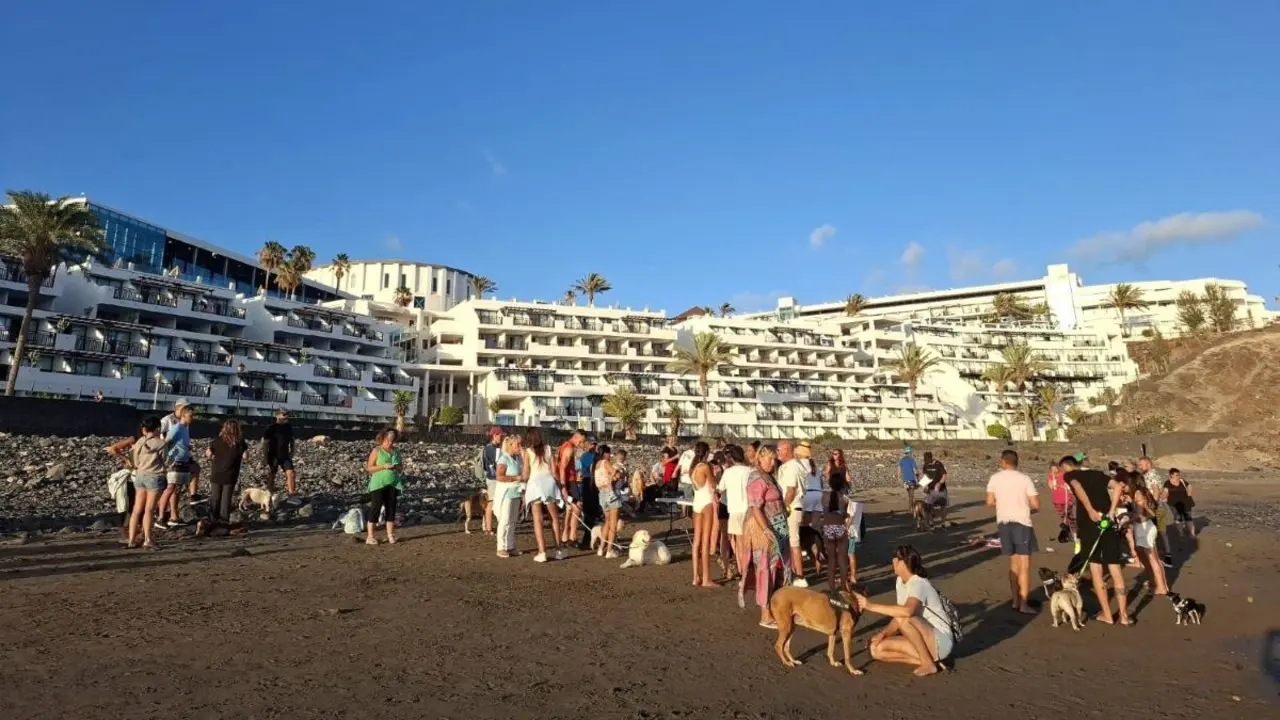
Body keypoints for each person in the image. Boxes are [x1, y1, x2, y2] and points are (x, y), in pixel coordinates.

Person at [855, 545, 955, 677]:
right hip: (922, 638)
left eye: (895, 558)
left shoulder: (919, 583)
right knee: (876, 649)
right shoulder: (900, 582)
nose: (893, 561)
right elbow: (899, 616)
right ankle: (929, 661)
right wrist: (882, 634)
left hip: (940, 640)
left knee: (905, 616)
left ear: (903, 563)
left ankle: (927, 663)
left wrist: (870, 606)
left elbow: (906, 613)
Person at [1062, 454, 1130, 625]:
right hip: (1108, 522)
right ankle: (1123, 615)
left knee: (1096, 569)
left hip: (1089, 524)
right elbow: (1118, 487)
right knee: (1115, 568)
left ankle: (1107, 614)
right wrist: (1112, 510)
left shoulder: (1070, 475)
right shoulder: (1097, 474)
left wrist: (1090, 510)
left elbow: (1078, 488)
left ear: (1067, 466)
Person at [741, 445, 791, 627]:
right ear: (759, 459)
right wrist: (765, 529)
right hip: (766, 528)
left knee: (777, 568)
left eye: (774, 458)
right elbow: (755, 507)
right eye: (769, 458)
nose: (773, 462)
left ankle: (776, 608)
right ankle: (765, 613)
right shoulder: (756, 478)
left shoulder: (769, 477)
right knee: (765, 568)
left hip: (779, 526)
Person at [985, 450, 1040, 615]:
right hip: (1021, 523)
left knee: (1013, 564)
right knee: (1024, 565)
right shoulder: (1024, 479)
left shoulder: (995, 478)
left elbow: (989, 502)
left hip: (1004, 523)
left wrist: (1004, 503)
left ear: (1003, 461)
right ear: (1016, 462)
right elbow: (1036, 504)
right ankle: (1023, 603)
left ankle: (1015, 601)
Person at [775, 439, 816, 587]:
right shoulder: (790, 466)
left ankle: (800, 576)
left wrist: (783, 508)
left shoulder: (792, 467)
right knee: (791, 542)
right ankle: (793, 573)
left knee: (793, 543)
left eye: (779, 450)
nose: (777, 453)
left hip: (791, 508)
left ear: (787, 450)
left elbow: (791, 490)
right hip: (794, 507)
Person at [524, 428, 568, 563]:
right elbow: (554, 472)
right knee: (554, 518)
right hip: (548, 483)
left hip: (535, 485)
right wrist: (561, 487)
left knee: (538, 520)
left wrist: (520, 485)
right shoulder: (548, 449)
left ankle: (542, 552)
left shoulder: (528, 452)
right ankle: (559, 550)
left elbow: (525, 474)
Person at [125, 416, 167, 550]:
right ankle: (148, 539)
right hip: (154, 476)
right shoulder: (160, 443)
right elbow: (166, 462)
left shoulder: (140, 442)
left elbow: (135, 462)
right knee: (149, 509)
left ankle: (131, 540)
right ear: (157, 429)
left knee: (137, 509)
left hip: (140, 476)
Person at [1128, 474, 1169, 595]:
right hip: (1146, 527)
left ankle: (1161, 587)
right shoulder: (1143, 492)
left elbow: (1140, 515)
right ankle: (1155, 582)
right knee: (1149, 558)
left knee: (1153, 559)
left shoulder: (1138, 494)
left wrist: (1127, 520)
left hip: (1145, 528)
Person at [204, 419, 247, 530]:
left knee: (215, 498)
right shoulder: (240, 442)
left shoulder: (217, 440)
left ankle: (212, 521)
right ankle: (223, 523)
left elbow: (208, 453)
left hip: (216, 472)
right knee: (226, 499)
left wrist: (213, 457)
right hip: (230, 474)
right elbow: (246, 456)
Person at [160, 398, 203, 509]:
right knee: (172, 487)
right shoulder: (168, 420)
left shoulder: (184, 424)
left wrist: (186, 446)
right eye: (186, 408)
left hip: (182, 455)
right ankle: (164, 513)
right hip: (173, 457)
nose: (189, 412)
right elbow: (162, 438)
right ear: (179, 408)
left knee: (194, 470)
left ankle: (192, 496)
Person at [158, 402, 195, 529]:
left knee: (176, 489)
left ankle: (173, 517)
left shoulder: (185, 429)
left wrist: (186, 447)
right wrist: (168, 458)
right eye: (191, 416)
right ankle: (161, 517)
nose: (192, 418)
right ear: (184, 416)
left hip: (182, 462)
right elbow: (166, 443)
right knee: (170, 488)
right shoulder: (177, 428)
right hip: (174, 462)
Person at [364, 428, 403, 545]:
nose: (390, 443)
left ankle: (390, 535)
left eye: (392, 441)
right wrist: (383, 466)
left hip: (393, 483)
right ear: (382, 439)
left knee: (391, 510)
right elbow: (369, 468)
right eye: (387, 440)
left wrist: (397, 467)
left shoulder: (396, 451)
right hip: (378, 484)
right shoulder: (377, 451)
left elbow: (401, 467)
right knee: (375, 509)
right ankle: (370, 536)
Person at [719, 444, 752, 583]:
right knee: (749, 543)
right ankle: (748, 570)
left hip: (735, 510)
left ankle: (742, 571)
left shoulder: (728, 472)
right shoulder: (750, 470)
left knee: (738, 544)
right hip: (749, 510)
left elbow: (720, 488)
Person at [815, 468, 851, 591]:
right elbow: (844, 514)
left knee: (831, 561)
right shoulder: (845, 499)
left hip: (828, 529)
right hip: (841, 528)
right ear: (842, 485)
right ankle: (842, 589)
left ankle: (831, 589)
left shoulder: (824, 497)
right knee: (842, 560)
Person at [689, 441, 717, 588]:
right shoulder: (705, 467)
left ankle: (696, 577)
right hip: (707, 501)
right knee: (705, 541)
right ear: (706, 453)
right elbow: (713, 485)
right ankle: (706, 578)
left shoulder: (692, 468)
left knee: (697, 541)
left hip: (697, 502)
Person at [1137, 456, 1173, 567]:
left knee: (1155, 533)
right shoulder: (1150, 474)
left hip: (1156, 507)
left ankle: (1161, 558)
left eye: (1141, 465)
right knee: (1161, 532)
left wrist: (1153, 506)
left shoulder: (1151, 474)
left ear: (1148, 464)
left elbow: (1156, 491)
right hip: (1158, 506)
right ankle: (1166, 557)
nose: (1139, 467)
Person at [493, 433, 523, 558]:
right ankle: (500, 547)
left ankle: (510, 546)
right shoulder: (504, 459)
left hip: (516, 492)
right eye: (518, 445)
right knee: (504, 520)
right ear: (511, 445)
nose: (520, 447)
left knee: (512, 521)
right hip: (506, 493)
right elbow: (499, 476)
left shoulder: (519, 459)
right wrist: (516, 478)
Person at [262, 409, 299, 503]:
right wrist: (265, 457)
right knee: (272, 475)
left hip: (285, 455)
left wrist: (293, 451)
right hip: (273, 455)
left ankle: (291, 494)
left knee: (291, 473)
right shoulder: (270, 428)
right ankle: (269, 495)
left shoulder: (288, 427)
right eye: (284, 415)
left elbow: (292, 440)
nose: (286, 416)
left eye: (287, 414)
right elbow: (265, 443)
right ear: (277, 416)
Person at [555, 431, 585, 545]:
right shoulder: (569, 448)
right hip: (568, 481)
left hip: (569, 480)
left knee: (570, 508)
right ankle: (572, 536)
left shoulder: (565, 446)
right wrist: (563, 486)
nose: (580, 444)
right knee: (577, 506)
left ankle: (566, 536)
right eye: (580, 441)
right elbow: (562, 467)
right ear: (575, 437)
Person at [593, 444, 623, 559]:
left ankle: (601, 547)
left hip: (602, 494)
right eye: (609, 453)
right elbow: (616, 475)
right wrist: (619, 473)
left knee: (607, 521)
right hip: (611, 493)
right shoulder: (605, 462)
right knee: (613, 523)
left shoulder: (596, 465)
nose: (610, 456)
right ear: (605, 453)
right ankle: (609, 550)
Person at [576, 438, 602, 549]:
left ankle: (596, 538)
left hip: (595, 485)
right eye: (591, 444)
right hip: (587, 484)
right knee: (588, 515)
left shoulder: (597, 456)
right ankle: (587, 539)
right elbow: (581, 472)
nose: (593, 446)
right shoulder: (585, 456)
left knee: (595, 514)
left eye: (594, 444)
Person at [481, 426, 504, 535]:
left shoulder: (490, 447)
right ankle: (488, 528)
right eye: (500, 435)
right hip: (493, 478)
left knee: (493, 502)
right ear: (495, 435)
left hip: (493, 478)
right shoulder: (491, 448)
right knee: (491, 503)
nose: (502, 437)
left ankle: (488, 526)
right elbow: (498, 462)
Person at [1161, 469, 1196, 540]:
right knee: (1178, 518)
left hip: (1186, 502)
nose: (1178, 476)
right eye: (1176, 475)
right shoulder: (1167, 483)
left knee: (1188, 518)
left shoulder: (1182, 481)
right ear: (1171, 475)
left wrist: (1189, 493)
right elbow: (1165, 491)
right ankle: (1181, 533)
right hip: (1173, 504)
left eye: (1179, 475)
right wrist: (1163, 496)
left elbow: (1189, 486)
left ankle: (1192, 534)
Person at [1046, 461, 1075, 542]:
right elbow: (1051, 486)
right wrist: (1054, 482)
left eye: (1055, 468)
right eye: (1052, 469)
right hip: (1057, 500)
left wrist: (1065, 486)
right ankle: (1067, 533)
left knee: (1069, 516)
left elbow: (1070, 484)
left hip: (1066, 499)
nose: (1054, 470)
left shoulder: (1064, 474)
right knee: (1063, 517)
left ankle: (1074, 533)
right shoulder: (1050, 476)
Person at [921, 451, 949, 525]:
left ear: (931, 458)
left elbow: (944, 475)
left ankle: (943, 522)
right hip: (931, 489)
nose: (927, 462)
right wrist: (924, 486)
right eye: (926, 461)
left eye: (928, 460)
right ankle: (931, 523)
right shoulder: (925, 465)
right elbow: (926, 477)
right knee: (929, 506)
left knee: (943, 507)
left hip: (941, 489)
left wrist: (939, 483)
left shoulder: (939, 464)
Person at [897, 446, 920, 511]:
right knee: (911, 495)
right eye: (911, 452)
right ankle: (911, 508)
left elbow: (899, 469)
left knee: (910, 494)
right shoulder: (911, 460)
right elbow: (914, 470)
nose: (911, 453)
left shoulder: (901, 460)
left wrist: (899, 477)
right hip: (911, 479)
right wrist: (918, 478)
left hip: (905, 480)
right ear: (909, 452)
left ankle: (910, 507)